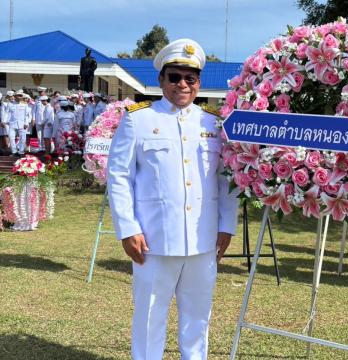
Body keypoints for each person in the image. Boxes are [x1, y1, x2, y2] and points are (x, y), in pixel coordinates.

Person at [107, 38, 239, 360]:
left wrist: (227, 225)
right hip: (153, 239)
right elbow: (119, 177)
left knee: (197, 318)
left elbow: (226, 179)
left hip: (203, 239)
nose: (182, 84)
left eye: (189, 78)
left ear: (198, 83)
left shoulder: (213, 124)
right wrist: (127, 228)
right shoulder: (138, 120)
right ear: (161, 80)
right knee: (150, 316)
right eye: (175, 77)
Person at [6, 90, 32, 156]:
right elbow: (7, 113)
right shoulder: (10, 104)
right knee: (11, 138)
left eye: (21, 96)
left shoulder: (25, 105)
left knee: (22, 138)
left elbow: (27, 115)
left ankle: (21, 152)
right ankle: (14, 151)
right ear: (15, 96)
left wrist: (26, 123)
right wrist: (6, 121)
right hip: (12, 123)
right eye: (19, 95)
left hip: (22, 124)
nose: (20, 97)